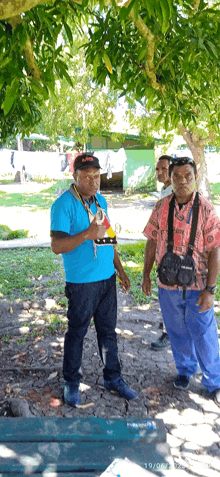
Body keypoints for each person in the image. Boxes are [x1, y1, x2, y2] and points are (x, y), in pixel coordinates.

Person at [50, 152, 138, 407]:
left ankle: (113, 377)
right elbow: (57, 245)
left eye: (96, 176)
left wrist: (120, 270)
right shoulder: (63, 205)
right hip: (81, 283)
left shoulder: (101, 201)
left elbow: (108, 240)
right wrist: (87, 233)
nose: (93, 182)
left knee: (108, 333)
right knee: (77, 333)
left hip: (106, 280)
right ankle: (72, 383)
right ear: (74, 176)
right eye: (86, 177)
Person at [142, 156, 220, 407]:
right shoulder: (161, 206)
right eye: (177, 176)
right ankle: (185, 370)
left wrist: (210, 289)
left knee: (204, 333)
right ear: (170, 178)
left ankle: (214, 381)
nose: (183, 181)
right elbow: (152, 241)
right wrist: (145, 274)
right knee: (176, 331)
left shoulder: (207, 210)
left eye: (188, 176)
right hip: (167, 286)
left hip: (197, 285)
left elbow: (215, 250)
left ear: (195, 177)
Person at [151, 155, 173, 350]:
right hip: (163, 254)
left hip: (173, 258)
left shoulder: (173, 193)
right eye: (157, 169)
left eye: (163, 169)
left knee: (168, 295)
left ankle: (168, 333)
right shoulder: (165, 191)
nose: (159, 172)